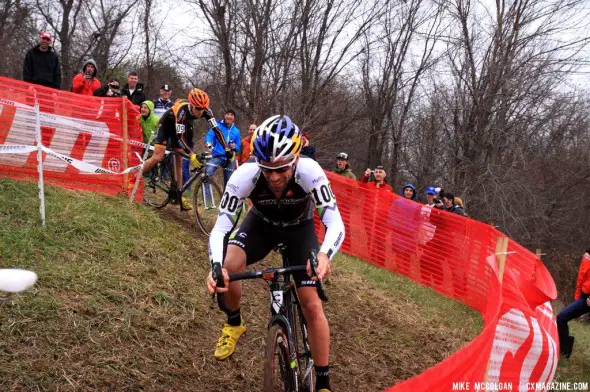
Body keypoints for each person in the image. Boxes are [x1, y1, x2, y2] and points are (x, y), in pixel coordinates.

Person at [207, 115, 344, 392]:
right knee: (230, 269)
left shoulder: (310, 171)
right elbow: (221, 227)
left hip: (299, 229)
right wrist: (216, 266)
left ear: (295, 159)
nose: (274, 177)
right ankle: (234, 323)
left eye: (282, 169)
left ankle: (324, 383)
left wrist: (325, 255)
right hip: (262, 225)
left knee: (311, 303)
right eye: (267, 169)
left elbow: (335, 222)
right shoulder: (245, 175)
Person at [141, 88, 230, 211]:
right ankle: (135, 178)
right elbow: (179, 138)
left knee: (180, 160)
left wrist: (227, 148)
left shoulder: (206, 110)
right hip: (167, 124)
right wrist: (192, 154)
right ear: (192, 105)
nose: (201, 112)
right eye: (198, 108)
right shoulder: (182, 111)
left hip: (183, 125)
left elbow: (217, 130)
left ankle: (179, 194)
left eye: (203, 109)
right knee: (158, 156)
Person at [557, 250, 590, 358]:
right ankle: (564, 352)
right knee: (561, 317)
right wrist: (578, 297)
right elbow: (581, 278)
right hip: (584, 298)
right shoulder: (587, 256)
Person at [204, 109, 241, 187]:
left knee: (229, 182)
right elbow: (209, 136)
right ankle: (207, 197)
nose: (229, 116)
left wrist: (235, 146)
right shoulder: (217, 126)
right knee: (207, 173)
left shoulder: (236, 131)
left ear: (234, 118)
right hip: (217, 156)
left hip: (230, 159)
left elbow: (238, 147)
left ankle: (225, 198)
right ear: (225, 115)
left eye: (231, 115)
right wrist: (208, 143)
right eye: (228, 114)